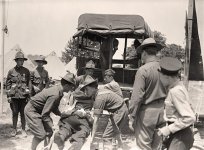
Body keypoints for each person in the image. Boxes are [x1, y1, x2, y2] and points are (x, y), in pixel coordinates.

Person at [128, 38, 167, 150]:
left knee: (144, 146)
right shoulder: (165, 69)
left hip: (147, 114)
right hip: (162, 111)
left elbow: (137, 97)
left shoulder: (143, 70)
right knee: (157, 146)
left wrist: (132, 116)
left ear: (144, 53)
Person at [24, 72, 76, 150]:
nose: (72, 89)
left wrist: (61, 114)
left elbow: (53, 108)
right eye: (71, 86)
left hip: (39, 110)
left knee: (49, 132)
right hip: (32, 110)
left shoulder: (59, 92)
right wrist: (53, 126)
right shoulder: (55, 94)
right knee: (41, 135)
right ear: (66, 85)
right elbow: (45, 115)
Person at [157, 57, 196, 150]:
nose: (160, 79)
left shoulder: (175, 91)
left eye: (160, 76)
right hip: (178, 133)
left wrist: (168, 129)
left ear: (167, 77)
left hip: (180, 135)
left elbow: (190, 117)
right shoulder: (179, 87)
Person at [54, 75, 97, 150]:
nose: (86, 92)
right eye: (85, 89)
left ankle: (61, 136)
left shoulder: (78, 94)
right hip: (83, 119)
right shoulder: (93, 97)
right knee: (81, 134)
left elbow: (72, 101)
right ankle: (75, 145)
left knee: (66, 126)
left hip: (73, 116)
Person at [6, 51, 32, 137]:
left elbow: (29, 84)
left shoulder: (26, 71)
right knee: (15, 113)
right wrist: (8, 96)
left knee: (23, 113)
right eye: (20, 60)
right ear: (16, 61)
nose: (22, 62)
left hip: (23, 96)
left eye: (22, 60)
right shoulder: (11, 71)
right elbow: (8, 84)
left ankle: (23, 130)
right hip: (14, 96)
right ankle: (14, 129)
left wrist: (29, 95)